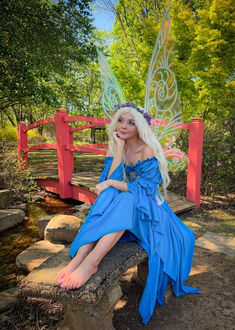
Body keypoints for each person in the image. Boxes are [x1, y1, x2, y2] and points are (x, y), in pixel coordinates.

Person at [56, 104, 200, 325]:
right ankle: (81, 257)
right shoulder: (118, 146)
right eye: (121, 120)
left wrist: (113, 182)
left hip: (150, 210)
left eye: (131, 122)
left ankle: (93, 261)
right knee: (111, 194)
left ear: (140, 127)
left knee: (125, 196)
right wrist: (119, 149)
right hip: (130, 205)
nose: (124, 125)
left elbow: (146, 190)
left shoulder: (147, 149)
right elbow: (108, 177)